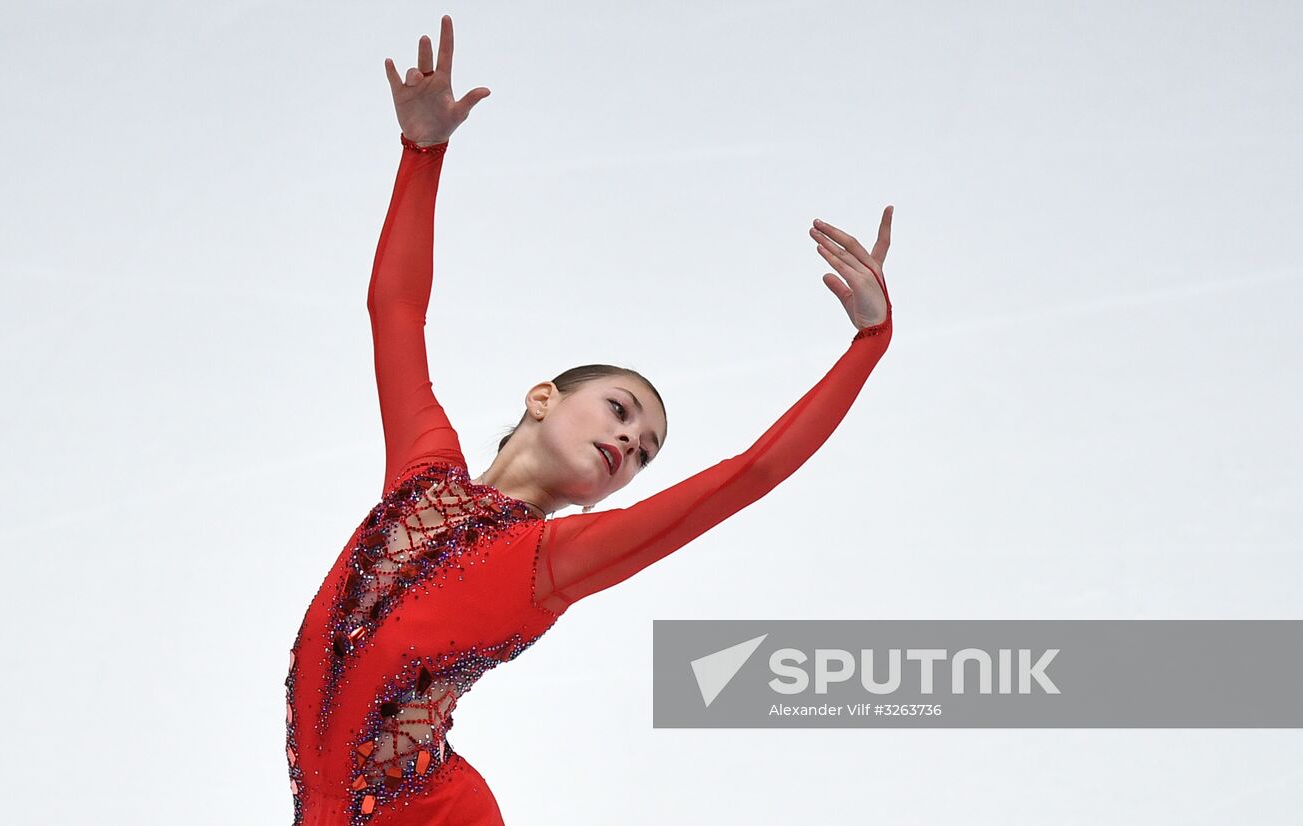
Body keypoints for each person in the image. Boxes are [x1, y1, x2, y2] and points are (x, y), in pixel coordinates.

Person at [283, 14, 895, 825]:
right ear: (543, 397)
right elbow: (394, 310)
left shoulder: (553, 563)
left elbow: (749, 475)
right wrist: (422, 154)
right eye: (620, 410)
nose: (627, 444)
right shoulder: (422, 469)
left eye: (643, 451)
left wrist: (869, 343)